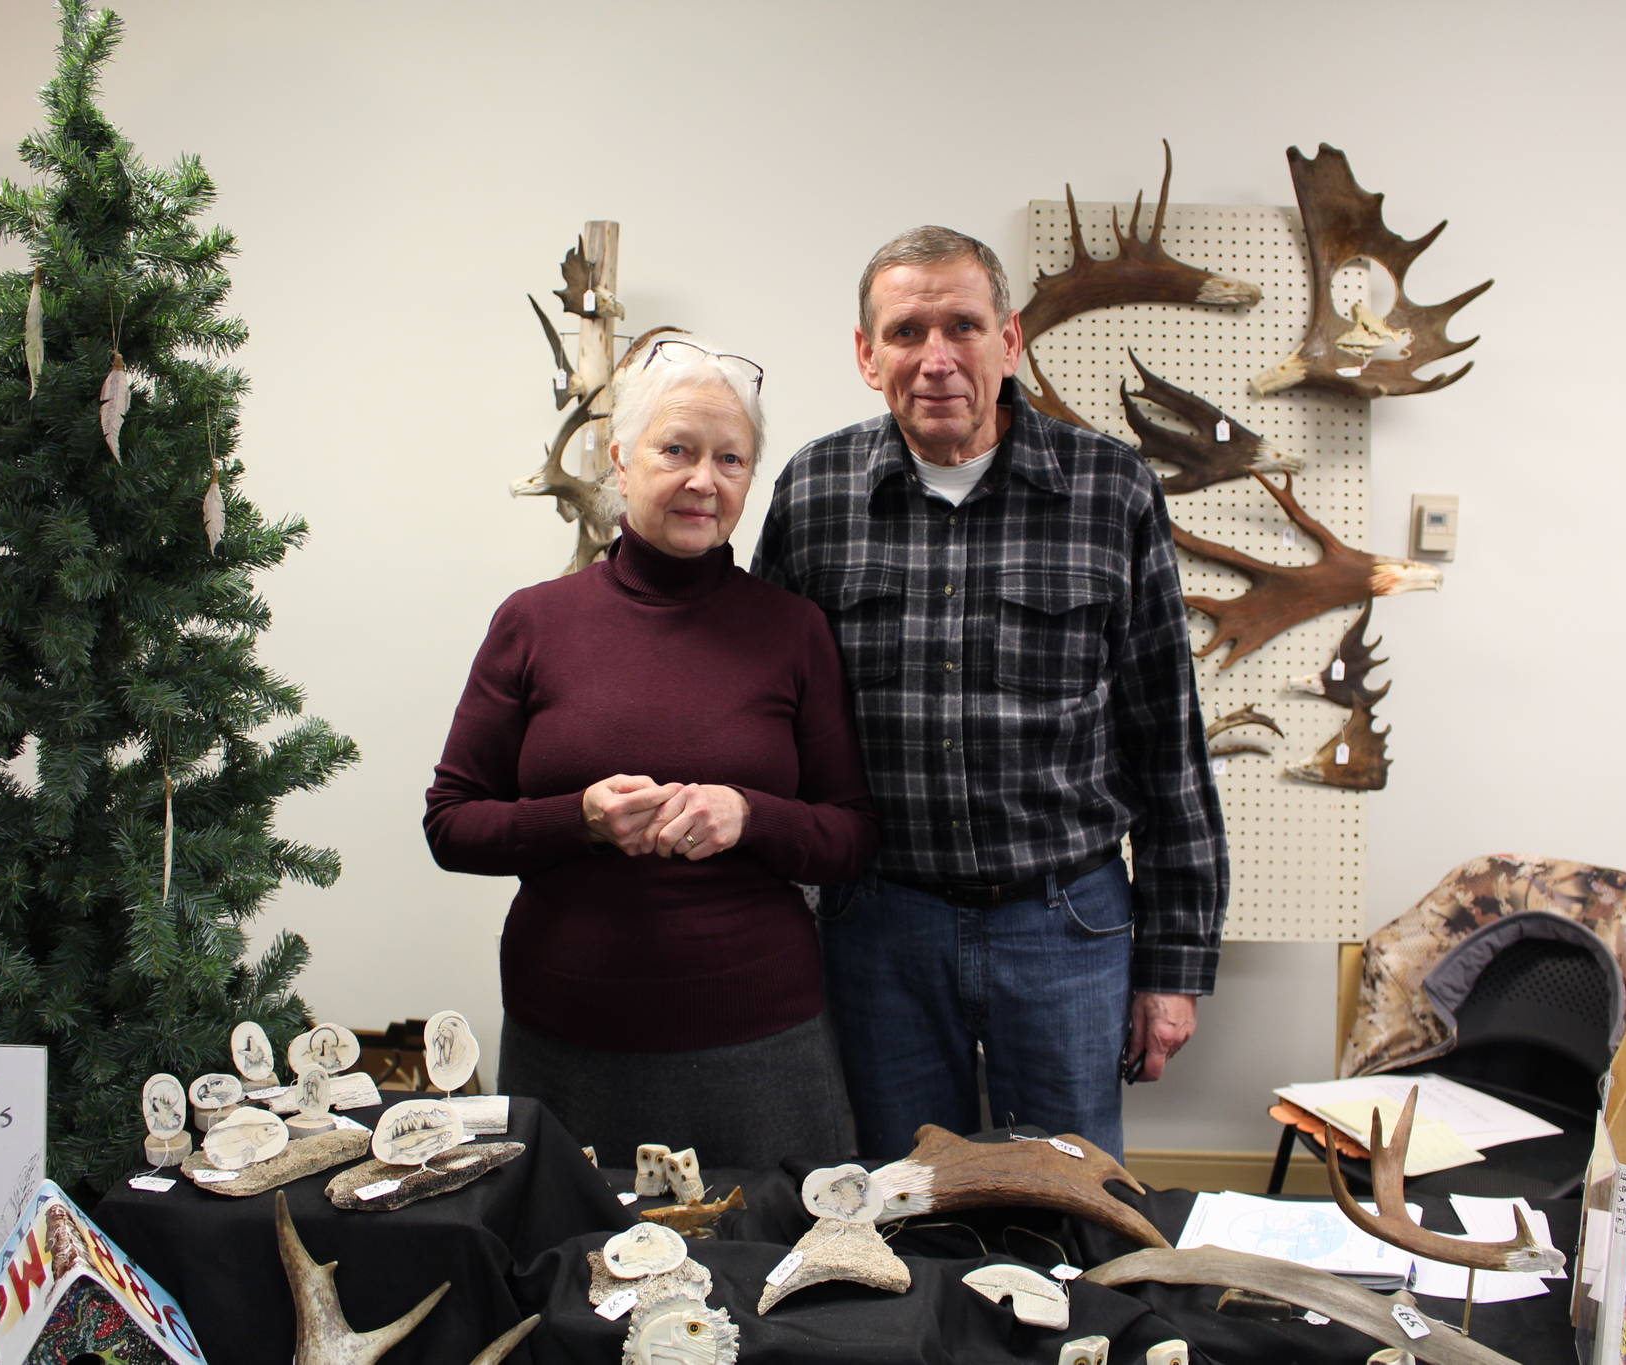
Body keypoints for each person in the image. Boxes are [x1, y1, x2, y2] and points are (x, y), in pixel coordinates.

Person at [751, 226, 1227, 1162]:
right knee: (900, 1203)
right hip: (879, 929)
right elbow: (763, 721)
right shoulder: (814, 492)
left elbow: (1167, 744)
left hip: (1066, 923)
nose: (936, 360)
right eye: (906, 332)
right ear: (865, 353)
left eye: (963, 326)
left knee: (1068, 1207)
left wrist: (1173, 968)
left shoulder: (1110, 490)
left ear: (1009, 341)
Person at [424, 335, 877, 1169]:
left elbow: (851, 836)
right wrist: (580, 818)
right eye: (677, 449)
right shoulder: (534, 621)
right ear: (621, 461)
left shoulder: (792, 630)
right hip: (569, 1036)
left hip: (763, 1046)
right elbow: (451, 823)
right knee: (570, 1277)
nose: (704, 479)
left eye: (731, 458)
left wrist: (750, 816)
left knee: (765, 1277)